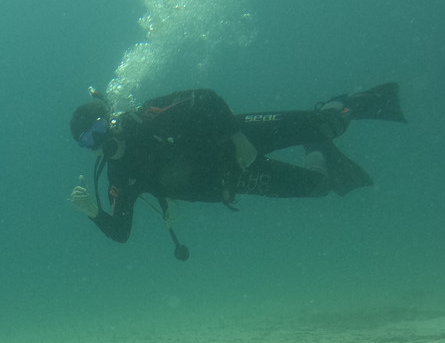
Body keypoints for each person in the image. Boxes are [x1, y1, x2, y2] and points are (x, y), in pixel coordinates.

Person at [69, 83, 406, 260]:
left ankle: (343, 106)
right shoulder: (119, 176)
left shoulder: (149, 116)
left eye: (99, 131)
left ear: (111, 120)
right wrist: (91, 212)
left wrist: (238, 137)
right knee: (319, 185)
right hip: (232, 180)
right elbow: (120, 233)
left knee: (329, 124)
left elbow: (207, 98)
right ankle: (317, 146)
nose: (99, 144)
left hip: (239, 135)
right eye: (88, 143)